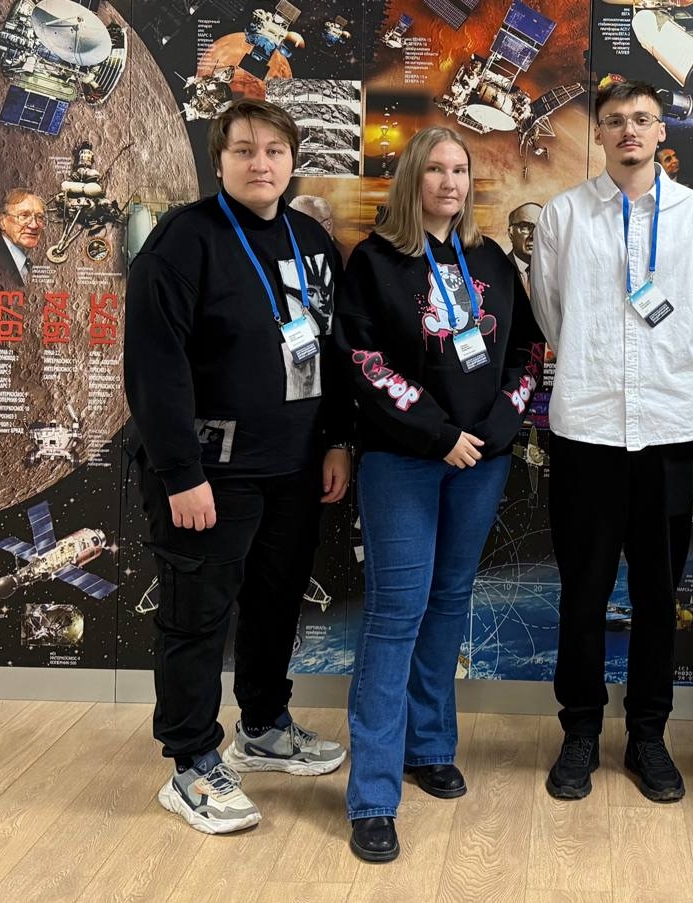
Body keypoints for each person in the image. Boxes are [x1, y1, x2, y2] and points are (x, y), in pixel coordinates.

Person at [124, 98, 351, 836]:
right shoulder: (183, 241)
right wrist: (181, 472)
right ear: (218, 160)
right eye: (245, 150)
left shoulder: (310, 238)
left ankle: (263, 726)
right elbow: (154, 368)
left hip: (294, 465)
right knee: (196, 619)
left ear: (292, 160)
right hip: (210, 473)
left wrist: (337, 440)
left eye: (274, 151)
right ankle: (191, 762)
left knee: (276, 604)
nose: (261, 164)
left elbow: (332, 350)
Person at [336, 126, 543, 863]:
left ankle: (429, 745)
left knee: (450, 601)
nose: (450, 182)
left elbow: (527, 352)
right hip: (405, 460)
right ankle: (372, 795)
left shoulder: (490, 259)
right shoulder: (375, 261)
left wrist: (499, 423)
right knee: (396, 613)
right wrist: (437, 433)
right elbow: (361, 360)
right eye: (435, 170)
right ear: (411, 180)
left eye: (460, 170)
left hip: (480, 461)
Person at [531, 80, 693, 804]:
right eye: (615, 121)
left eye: (642, 118)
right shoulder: (564, 215)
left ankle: (648, 735)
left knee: (656, 593)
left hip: (669, 427)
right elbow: (551, 312)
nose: (629, 131)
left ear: (661, 128)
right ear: (601, 134)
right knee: (582, 594)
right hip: (588, 427)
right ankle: (580, 731)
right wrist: (595, 366)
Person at [0, 188, 46, 284]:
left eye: (40, 217)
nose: (34, 225)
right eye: (24, 216)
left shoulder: (26, 263)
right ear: (2, 222)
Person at [506, 201, 542, 291]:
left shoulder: (555, 271)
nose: (534, 235)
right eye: (525, 226)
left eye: (540, 228)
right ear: (511, 233)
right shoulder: (496, 269)